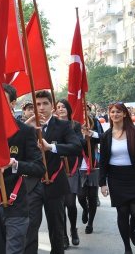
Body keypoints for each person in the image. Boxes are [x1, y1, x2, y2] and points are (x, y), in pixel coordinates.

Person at [0, 84, 45, 254]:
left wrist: (15, 164)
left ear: (13, 103)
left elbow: (38, 168)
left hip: (16, 205)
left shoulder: (25, 132)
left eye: (2, 99)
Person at [24, 90, 82, 254]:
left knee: (56, 227)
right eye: (38, 104)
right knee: (31, 226)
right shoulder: (28, 126)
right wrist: (26, 126)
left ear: (52, 106)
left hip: (55, 183)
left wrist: (52, 147)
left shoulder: (63, 126)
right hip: (33, 184)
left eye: (45, 104)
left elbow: (76, 147)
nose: (41, 108)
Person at [99, 102, 135, 254]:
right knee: (122, 213)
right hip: (116, 179)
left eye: (118, 112)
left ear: (125, 114)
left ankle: (131, 230)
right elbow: (102, 161)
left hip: (134, 177)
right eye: (113, 112)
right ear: (110, 115)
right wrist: (103, 183)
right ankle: (127, 248)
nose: (115, 114)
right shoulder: (106, 136)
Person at [55, 99, 84, 250]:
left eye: (63, 107)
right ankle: (64, 236)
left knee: (71, 203)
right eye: (58, 107)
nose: (60, 109)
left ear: (68, 109)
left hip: (71, 168)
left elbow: (79, 144)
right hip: (57, 170)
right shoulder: (53, 126)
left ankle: (73, 229)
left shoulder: (75, 125)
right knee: (60, 206)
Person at [79, 105, 104, 235]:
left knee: (92, 197)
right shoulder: (74, 132)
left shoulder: (95, 129)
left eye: (86, 121)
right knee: (81, 196)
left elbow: (104, 138)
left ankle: (90, 223)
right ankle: (85, 208)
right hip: (78, 168)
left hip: (94, 167)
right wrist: (82, 136)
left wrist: (91, 134)